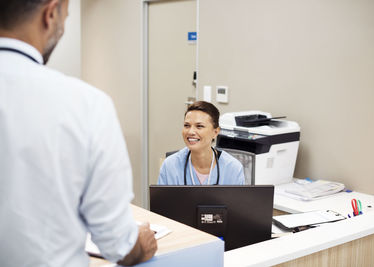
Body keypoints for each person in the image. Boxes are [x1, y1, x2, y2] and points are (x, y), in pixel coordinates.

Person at [0, 0, 156, 266]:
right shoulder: (86, 104)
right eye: (66, 18)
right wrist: (141, 244)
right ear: (50, 14)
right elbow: (117, 243)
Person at [158, 101, 245, 185]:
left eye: (199, 126)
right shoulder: (170, 166)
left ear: (215, 132)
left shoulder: (233, 169)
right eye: (187, 125)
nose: (191, 131)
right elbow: (160, 200)